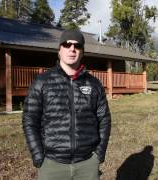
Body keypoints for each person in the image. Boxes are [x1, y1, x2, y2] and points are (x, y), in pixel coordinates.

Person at [22, 29, 111, 180]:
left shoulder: (94, 84)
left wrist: (99, 154)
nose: (72, 49)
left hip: (87, 164)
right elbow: (29, 120)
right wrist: (38, 156)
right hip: (51, 164)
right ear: (59, 50)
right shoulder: (42, 81)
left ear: (82, 52)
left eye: (77, 46)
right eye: (67, 44)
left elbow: (104, 120)